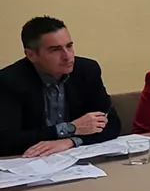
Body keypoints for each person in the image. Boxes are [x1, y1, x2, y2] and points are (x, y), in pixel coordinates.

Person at [0, 16, 120, 158]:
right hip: (28, 162)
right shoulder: (9, 80)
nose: (67, 56)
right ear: (31, 55)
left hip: (75, 157)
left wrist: (71, 141)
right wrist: (70, 128)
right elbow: (5, 141)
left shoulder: (87, 70)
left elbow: (112, 124)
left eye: (69, 46)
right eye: (55, 50)